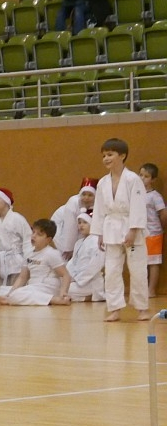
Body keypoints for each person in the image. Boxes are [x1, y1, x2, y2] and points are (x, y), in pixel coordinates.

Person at [91, 138, 149, 321]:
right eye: (104, 155)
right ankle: (114, 308)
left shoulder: (133, 179)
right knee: (112, 270)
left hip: (131, 227)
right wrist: (99, 233)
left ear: (122, 156)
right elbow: (99, 209)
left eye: (110, 154)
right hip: (110, 229)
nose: (106, 159)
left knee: (138, 269)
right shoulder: (102, 183)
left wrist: (133, 230)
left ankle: (142, 308)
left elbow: (139, 206)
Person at [0, 219, 72, 306]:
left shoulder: (51, 253)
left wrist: (63, 293)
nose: (34, 236)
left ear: (48, 240)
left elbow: (65, 275)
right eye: (33, 232)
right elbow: (22, 277)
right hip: (33, 287)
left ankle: (54, 300)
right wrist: (10, 294)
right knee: (2, 291)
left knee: (17, 295)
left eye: (39, 234)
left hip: (47, 287)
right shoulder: (29, 253)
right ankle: (15, 298)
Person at [0, 187, 32, 295]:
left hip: (16, 262)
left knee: (15, 292)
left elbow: (28, 240)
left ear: (6, 201)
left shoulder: (18, 219)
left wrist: (27, 260)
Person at [51, 177, 99, 259]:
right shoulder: (73, 202)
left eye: (90, 195)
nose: (86, 198)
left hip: (79, 224)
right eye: (84, 194)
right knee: (67, 253)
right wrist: (68, 249)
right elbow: (70, 227)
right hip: (60, 224)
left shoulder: (99, 203)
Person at [140, 163, 166, 297]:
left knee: (153, 262)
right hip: (140, 233)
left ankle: (151, 289)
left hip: (153, 233)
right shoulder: (137, 194)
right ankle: (141, 288)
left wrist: (161, 227)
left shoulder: (155, 196)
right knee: (141, 261)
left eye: (146, 176)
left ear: (153, 179)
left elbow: (163, 213)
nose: (143, 178)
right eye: (141, 175)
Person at [66, 212, 106, 302]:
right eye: (79, 223)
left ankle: (93, 295)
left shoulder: (97, 241)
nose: (81, 225)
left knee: (65, 289)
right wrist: (68, 277)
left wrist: (78, 279)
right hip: (76, 279)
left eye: (85, 222)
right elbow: (73, 262)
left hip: (90, 281)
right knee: (60, 285)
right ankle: (83, 297)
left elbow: (95, 266)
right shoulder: (78, 243)